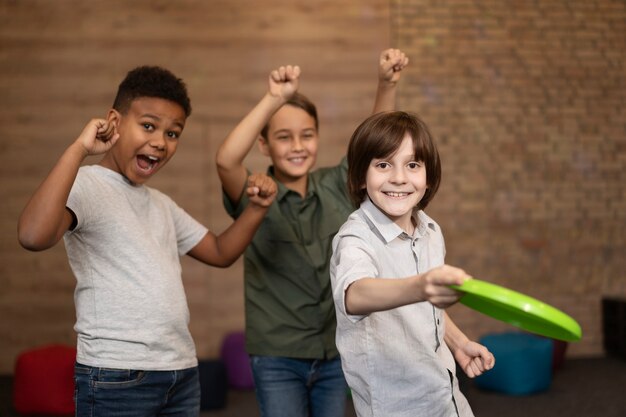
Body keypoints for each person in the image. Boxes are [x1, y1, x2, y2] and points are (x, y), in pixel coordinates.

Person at [17, 66, 277, 416]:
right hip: (115, 373)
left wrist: (257, 209)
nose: (160, 141)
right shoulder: (87, 184)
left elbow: (219, 251)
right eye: (149, 126)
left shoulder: (161, 204)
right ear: (114, 121)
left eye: (173, 133)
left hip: (180, 371)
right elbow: (33, 235)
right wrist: (80, 149)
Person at [215, 49, 409, 417]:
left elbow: (374, 145)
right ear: (264, 145)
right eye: (284, 137)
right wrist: (275, 99)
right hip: (277, 356)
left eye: (307, 135)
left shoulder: (337, 185)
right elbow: (226, 159)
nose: (298, 146)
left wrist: (386, 83)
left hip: (336, 349)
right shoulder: (256, 193)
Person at [330, 110, 495, 417]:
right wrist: (421, 286)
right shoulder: (355, 238)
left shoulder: (430, 231)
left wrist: (458, 344)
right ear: (359, 177)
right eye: (383, 164)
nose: (399, 177)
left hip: (445, 394)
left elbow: (425, 310)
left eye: (413, 165)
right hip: (398, 407)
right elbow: (354, 294)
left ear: (428, 176)